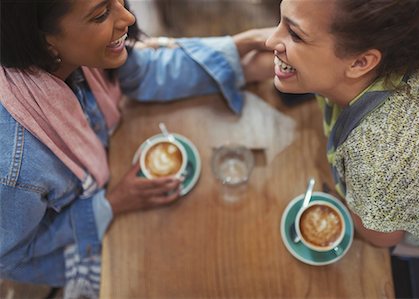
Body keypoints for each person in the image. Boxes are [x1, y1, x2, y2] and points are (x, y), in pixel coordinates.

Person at [0, 0, 274, 297]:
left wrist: (236, 50)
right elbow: (11, 257)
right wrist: (111, 204)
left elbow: (144, 71)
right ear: (45, 41)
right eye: (102, 14)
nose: (128, 17)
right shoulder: (17, 165)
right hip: (71, 250)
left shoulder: (82, 58)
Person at [266, 0, 419, 256]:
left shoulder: (381, 159)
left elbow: (383, 236)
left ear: (361, 62)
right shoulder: (395, 45)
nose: (270, 41)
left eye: (294, 34)